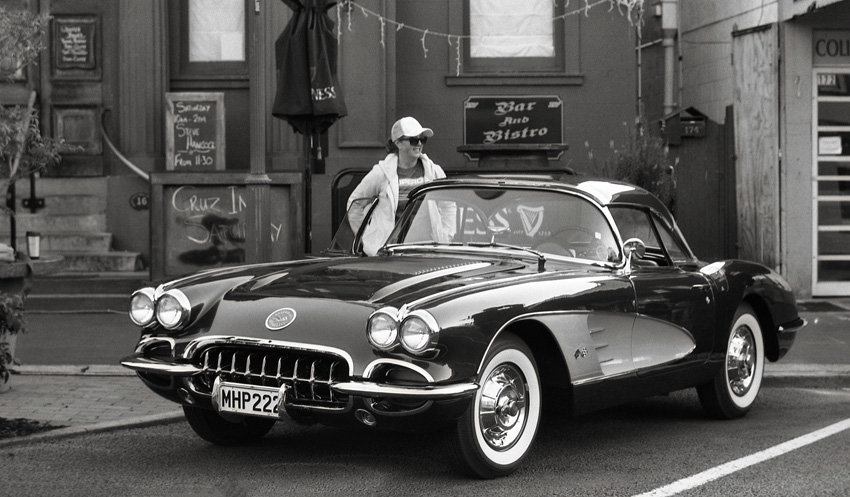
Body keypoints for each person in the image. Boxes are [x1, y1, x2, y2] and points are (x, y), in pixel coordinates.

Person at [347, 116, 455, 255]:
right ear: (398, 143)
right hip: (391, 254)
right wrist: (368, 239)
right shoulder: (381, 173)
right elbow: (354, 204)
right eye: (413, 140)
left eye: (423, 139)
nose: (419, 144)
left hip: (428, 252)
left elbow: (448, 205)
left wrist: (446, 237)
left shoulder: (434, 171)